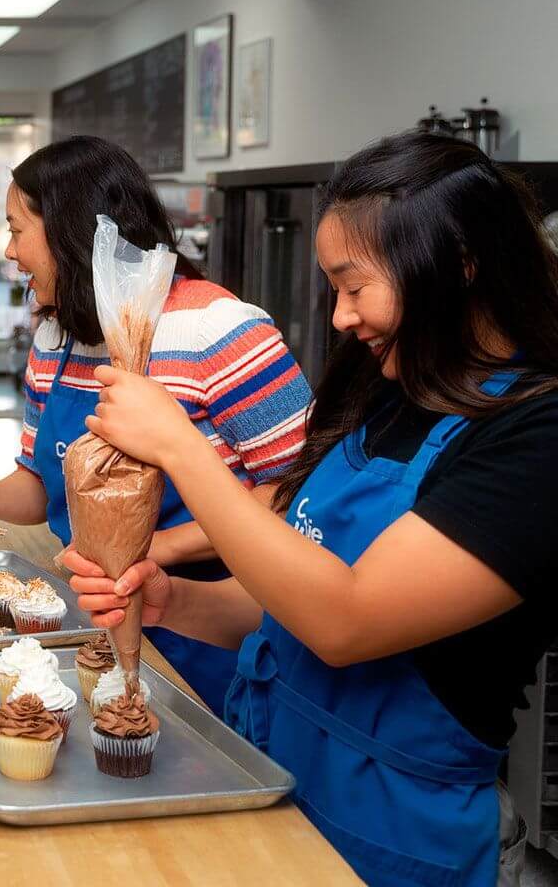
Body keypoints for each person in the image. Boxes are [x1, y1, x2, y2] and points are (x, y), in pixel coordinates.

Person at [65, 131, 558, 886]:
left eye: (355, 288)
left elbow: (345, 621)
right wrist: (173, 602)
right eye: (333, 291)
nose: (339, 318)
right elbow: (283, 603)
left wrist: (182, 449)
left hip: (395, 830)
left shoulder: (534, 437)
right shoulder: (388, 395)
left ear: (460, 265)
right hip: (273, 776)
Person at [0, 136, 312, 712]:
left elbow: (296, 493)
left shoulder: (218, 330)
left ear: (70, 232)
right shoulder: (57, 336)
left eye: (17, 230)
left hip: (210, 630)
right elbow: (43, 486)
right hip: (91, 620)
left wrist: (153, 550)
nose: (9, 251)